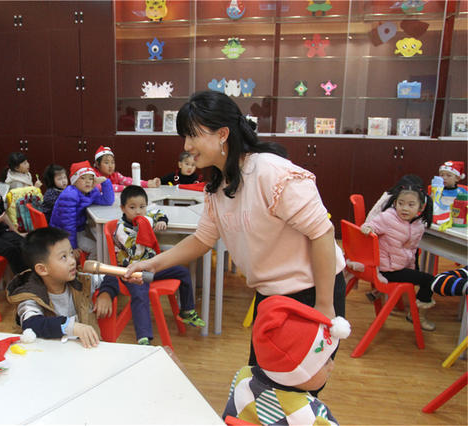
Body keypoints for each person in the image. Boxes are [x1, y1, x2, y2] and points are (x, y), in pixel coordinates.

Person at [125, 91, 346, 365]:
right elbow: (202, 240)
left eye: (193, 135)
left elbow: (322, 233)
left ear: (222, 134)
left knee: (298, 381)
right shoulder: (218, 186)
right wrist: (153, 264)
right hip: (269, 295)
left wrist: (324, 305)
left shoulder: (271, 172)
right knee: (261, 377)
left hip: (311, 291)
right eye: (184, 137)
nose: (187, 145)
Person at [222, 295, 350, 424]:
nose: (331, 366)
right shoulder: (313, 414)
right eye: (325, 362)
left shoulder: (242, 377)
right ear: (297, 374)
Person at [113, 185, 204, 344]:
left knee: (182, 272)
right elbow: (136, 252)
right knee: (140, 294)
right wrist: (144, 227)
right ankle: (143, 337)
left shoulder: (145, 216)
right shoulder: (122, 229)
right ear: (123, 208)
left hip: (151, 268)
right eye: (132, 207)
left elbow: (157, 212)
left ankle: (187, 310)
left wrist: (161, 220)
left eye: (142, 207)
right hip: (132, 273)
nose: (138, 211)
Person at [5, 227, 102, 348]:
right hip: (45, 352)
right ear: (42, 269)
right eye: (64, 257)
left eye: (71, 253)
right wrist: (70, 326)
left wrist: (105, 293)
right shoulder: (30, 295)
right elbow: (31, 324)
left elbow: (108, 278)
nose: (72, 261)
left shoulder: (80, 281)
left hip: (81, 350)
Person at [361, 182, 436, 330]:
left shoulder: (418, 226)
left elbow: (412, 251)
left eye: (410, 205)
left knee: (422, 276)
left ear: (420, 208)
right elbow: (371, 225)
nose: (405, 208)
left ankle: (379, 294)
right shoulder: (388, 217)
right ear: (395, 203)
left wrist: (412, 269)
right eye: (400, 203)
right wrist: (368, 228)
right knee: (429, 280)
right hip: (387, 269)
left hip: (400, 266)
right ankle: (417, 316)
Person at [50, 161, 114, 261]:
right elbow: (68, 224)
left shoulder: (91, 191)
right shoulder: (69, 195)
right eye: (83, 178)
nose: (87, 182)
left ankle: (93, 264)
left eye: (91, 178)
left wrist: (105, 182)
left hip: (79, 228)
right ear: (74, 181)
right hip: (62, 233)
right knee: (97, 249)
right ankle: (89, 269)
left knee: (103, 242)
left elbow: (107, 201)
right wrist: (72, 246)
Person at [92, 146, 160, 192]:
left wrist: (148, 183)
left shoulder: (116, 175)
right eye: (106, 163)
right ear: (97, 164)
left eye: (112, 162)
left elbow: (129, 181)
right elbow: (102, 187)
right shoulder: (93, 176)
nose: (110, 166)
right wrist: (125, 188)